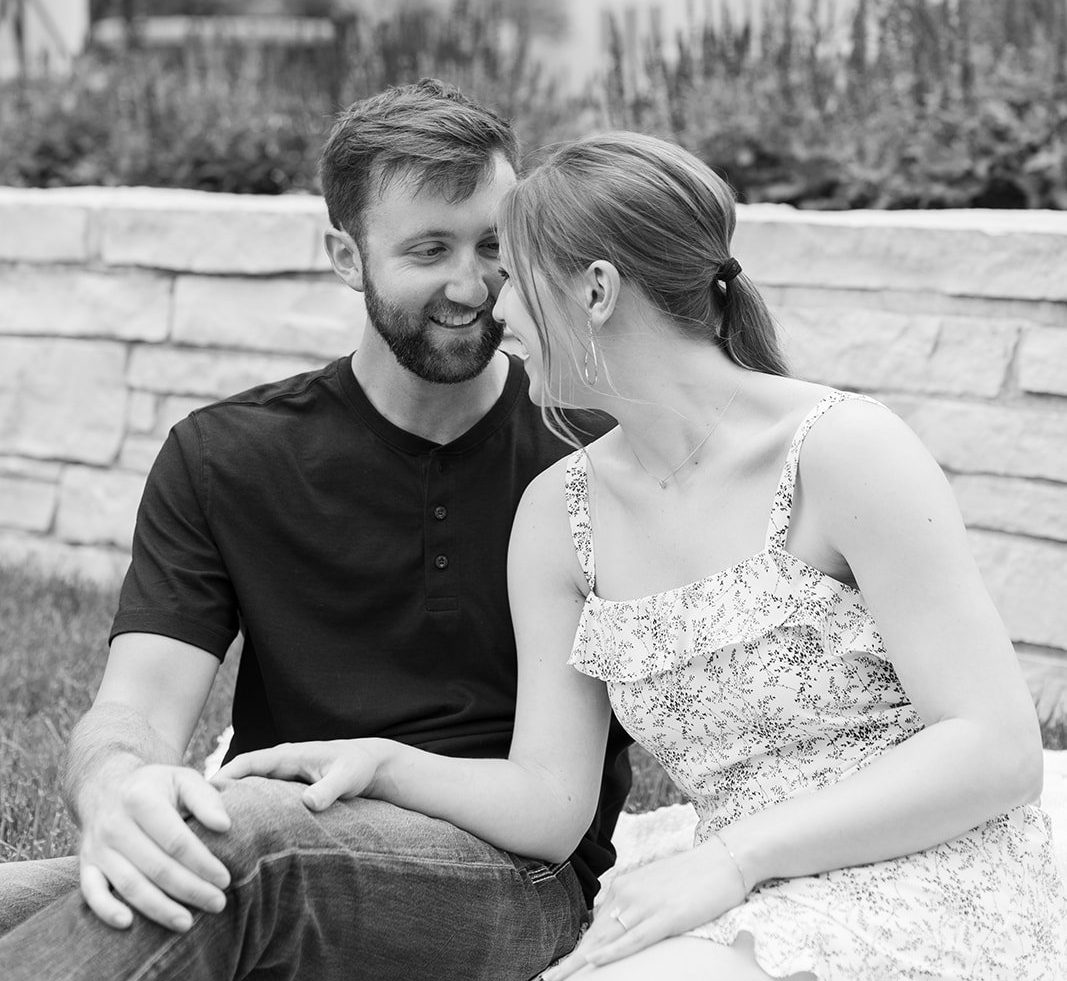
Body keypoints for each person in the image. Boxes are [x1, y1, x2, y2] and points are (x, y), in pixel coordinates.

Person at [216, 130, 1067, 979]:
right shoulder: (561, 512)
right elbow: (550, 804)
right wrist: (380, 762)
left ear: (594, 291)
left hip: (931, 871)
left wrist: (731, 860)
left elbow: (995, 749)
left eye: (512, 276)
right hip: (733, 892)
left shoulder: (842, 451)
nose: (494, 308)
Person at [0, 81, 631, 981]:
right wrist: (117, 789)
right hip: (282, 834)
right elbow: (135, 706)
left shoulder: (593, 455)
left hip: (515, 877)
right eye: (427, 249)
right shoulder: (225, 455)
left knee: (245, 837)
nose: (472, 284)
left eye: (493, 244)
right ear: (345, 254)